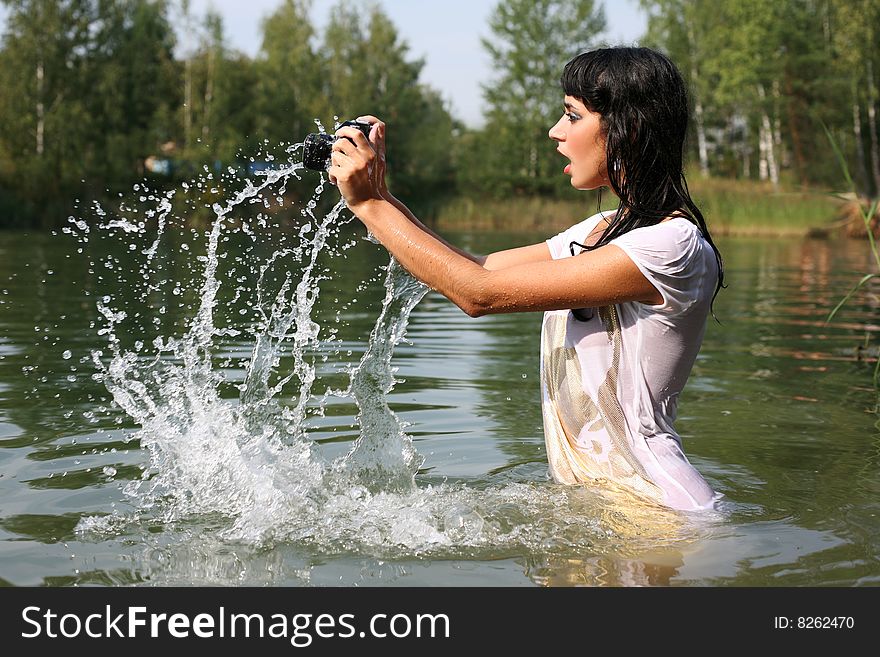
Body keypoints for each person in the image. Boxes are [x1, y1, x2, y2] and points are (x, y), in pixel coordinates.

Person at [327, 46, 724, 512]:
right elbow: (479, 267)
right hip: (602, 505)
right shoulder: (608, 231)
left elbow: (478, 295)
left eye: (572, 116)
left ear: (627, 128)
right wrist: (379, 193)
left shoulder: (670, 246)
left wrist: (367, 206)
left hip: (658, 511)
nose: (556, 132)